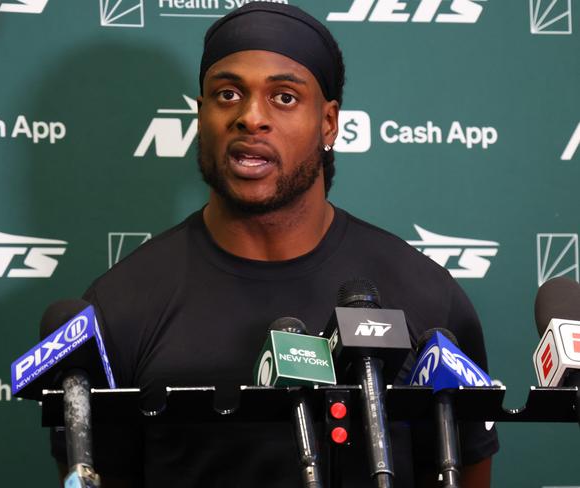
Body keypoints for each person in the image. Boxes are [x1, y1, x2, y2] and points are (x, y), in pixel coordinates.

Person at [51, 3, 498, 487]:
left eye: (284, 97)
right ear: (201, 116)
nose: (250, 117)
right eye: (227, 94)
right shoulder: (120, 308)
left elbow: (466, 472)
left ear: (328, 123)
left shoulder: (428, 296)